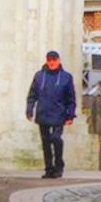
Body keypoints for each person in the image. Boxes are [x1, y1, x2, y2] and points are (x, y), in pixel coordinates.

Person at [25, 50, 78, 178]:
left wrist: (70, 115)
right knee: (46, 142)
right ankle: (49, 168)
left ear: (58, 61)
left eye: (54, 60)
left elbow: (71, 98)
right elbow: (32, 95)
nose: (52, 63)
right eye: (49, 60)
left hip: (59, 114)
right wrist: (29, 109)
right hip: (43, 112)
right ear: (46, 61)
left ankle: (59, 166)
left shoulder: (66, 77)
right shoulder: (39, 76)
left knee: (56, 138)